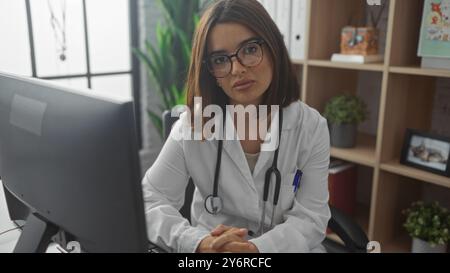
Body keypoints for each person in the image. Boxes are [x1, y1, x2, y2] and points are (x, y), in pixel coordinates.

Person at [142, 0, 331, 253]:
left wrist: (256, 249)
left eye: (250, 49)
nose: (237, 69)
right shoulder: (194, 124)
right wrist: (197, 242)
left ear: (273, 48)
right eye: (220, 59)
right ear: (210, 71)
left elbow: (311, 219)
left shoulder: (310, 127)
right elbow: (150, 199)